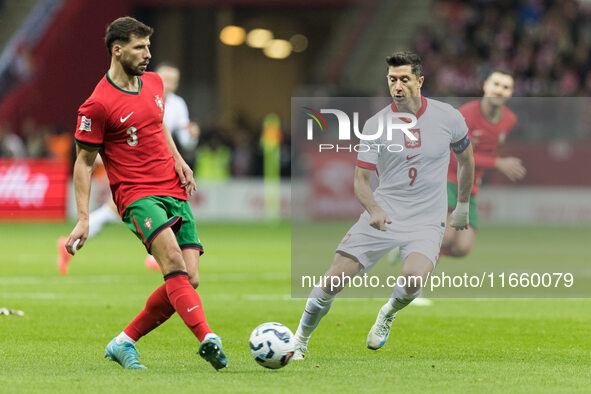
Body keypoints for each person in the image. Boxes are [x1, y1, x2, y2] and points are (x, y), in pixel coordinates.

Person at [65, 17, 227, 370]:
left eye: (149, 47)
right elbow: (83, 162)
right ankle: (207, 337)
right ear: (117, 50)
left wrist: (180, 160)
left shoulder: (153, 84)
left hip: (173, 187)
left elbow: (157, 126)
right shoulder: (97, 104)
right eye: (140, 47)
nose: (147, 54)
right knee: (172, 261)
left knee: (190, 278)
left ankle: (124, 342)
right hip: (137, 194)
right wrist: (82, 218)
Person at [292, 51, 475, 359]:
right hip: (385, 214)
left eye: (404, 79)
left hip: (427, 220)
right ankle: (299, 340)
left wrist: (463, 206)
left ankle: (388, 312)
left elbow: (466, 161)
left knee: (414, 280)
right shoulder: (376, 125)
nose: (398, 86)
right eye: (392, 80)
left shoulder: (448, 117)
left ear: (420, 81)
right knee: (334, 278)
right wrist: (374, 209)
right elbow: (360, 181)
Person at [58, 63, 200, 275]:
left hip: (161, 167)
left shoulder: (178, 105)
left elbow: (184, 139)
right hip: (134, 167)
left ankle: (69, 244)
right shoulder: (139, 94)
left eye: (173, 81)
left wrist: (192, 136)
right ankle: (156, 255)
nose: (169, 84)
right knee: (122, 210)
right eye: (166, 79)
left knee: (113, 211)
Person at [441, 70, 526, 258]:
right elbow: (459, 155)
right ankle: (414, 274)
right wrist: (497, 163)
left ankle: (416, 245)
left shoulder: (509, 120)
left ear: (510, 93)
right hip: (448, 179)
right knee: (445, 237)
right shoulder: (467, 113)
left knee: (462, 248)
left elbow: (488, 151)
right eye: (496, 84)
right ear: (485, 86)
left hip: (471, 187)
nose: (499, 90)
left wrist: (493, 162)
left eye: (505, 87)